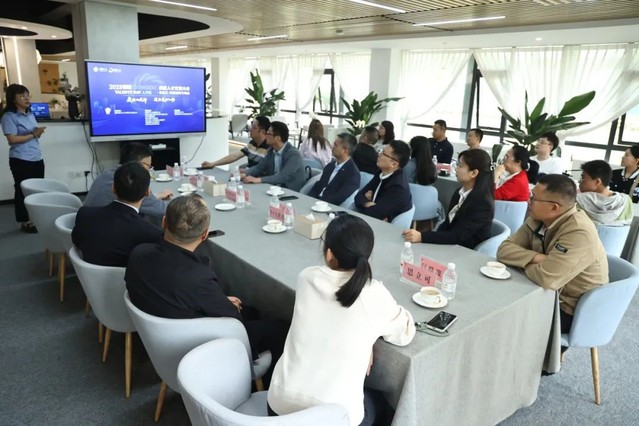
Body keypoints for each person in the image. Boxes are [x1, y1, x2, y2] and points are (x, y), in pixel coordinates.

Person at [267, 215, 415, 426]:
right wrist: (370, 337)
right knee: (383, 403)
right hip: (334, 419)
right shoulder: (374, 294)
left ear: (329, 254)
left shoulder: (307, 277)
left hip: (279, 409)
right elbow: (405, 333)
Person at [125, 194, 288, 368]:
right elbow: (234, 318)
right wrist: (227, 304)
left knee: (252, 312)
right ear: (204, 235)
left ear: (164, 222)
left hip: (160, 337)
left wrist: (220, 301)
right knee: (281, 328)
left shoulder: (138, 253)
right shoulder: (198, 277)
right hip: (197, 345)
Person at [497, 174, 608, 333]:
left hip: (570, 310)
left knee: (507, 321)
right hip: (542, 294)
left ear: (554, 207)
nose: (528, 201)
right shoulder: (538, 218)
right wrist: (537, 258)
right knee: (495, 303)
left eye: (534, 198)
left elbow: (547, 279)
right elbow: (503, 250)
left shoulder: (579, 232)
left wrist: (521, 262)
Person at [72, 162, 162, 266]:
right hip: (126, 276)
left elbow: (77, 242)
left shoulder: (84, 214)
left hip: (85, 275)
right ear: (147, 192)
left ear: (113, 188)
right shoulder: (152, 233)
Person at [402, 149, 494, 248]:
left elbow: (458, 236)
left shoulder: (482, 203)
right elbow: (448, 224)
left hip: (466, 250)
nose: (456, 169)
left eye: (460, 166)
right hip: (451, 244)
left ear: (474, 173)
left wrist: (422, 237)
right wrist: (427, 238)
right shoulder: (459, 193)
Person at [84, 142, 172, 220]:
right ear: (140, 164)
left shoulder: (110, 173)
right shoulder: (131, 181)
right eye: (148, 166)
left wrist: (157, 196)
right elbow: (162, 210)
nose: (149, 170)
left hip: (87, 223)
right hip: (105, 228)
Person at [1, 84, 46, 233]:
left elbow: (33, 135)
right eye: (22, 96)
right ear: (13, 99)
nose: (26, 99)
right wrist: (33, 134)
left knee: (37, 189)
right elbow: (12, 139)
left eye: (27, 95)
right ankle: (25, 221)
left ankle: (36, 218)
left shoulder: (30, 114)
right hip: (21, 159)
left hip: (36, 156)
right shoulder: (9, 117)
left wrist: (37, 133)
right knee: (23, 190)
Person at [354, 140, 412, 222]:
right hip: (371, 219)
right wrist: (367, 203)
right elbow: (358, 196)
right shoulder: (381, 173)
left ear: (394, 164)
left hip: (385, 226)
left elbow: (374, 214)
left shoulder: (398, 187)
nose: (379, 154)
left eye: (383, 154)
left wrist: (366, 202)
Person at [242, 121, 306, 191]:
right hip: (274, 189)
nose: (265, 135)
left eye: (268, 133)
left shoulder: (293, 154)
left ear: (278, 138)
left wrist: (259, 179)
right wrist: (244, 173)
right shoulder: (271, 150)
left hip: (291, 190)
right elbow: (259, 168)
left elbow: (283, 176)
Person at [308, 133, 360, 205]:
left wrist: (319, 203)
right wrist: (308, 199)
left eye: (335, 145)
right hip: (314, 202)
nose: (332, 147)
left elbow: (339, 197)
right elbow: (318, 186)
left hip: (328, 207)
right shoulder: (330, 166)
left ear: (345, 150)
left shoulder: (353, 174)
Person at [201, 116, 270, 169]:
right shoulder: (252, 143)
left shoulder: (269, 148)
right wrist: (213, 163)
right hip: (249, 175)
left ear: (263, 132)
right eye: (251, 126)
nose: (250, 129)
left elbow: (264, 171)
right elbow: (235, 156)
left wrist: (247, 173)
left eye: (254, 127)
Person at [576, 160, 633, 225]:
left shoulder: (578, 201)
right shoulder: (626, 202)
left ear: (598, 182)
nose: (579, 181)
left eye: (583, 178)